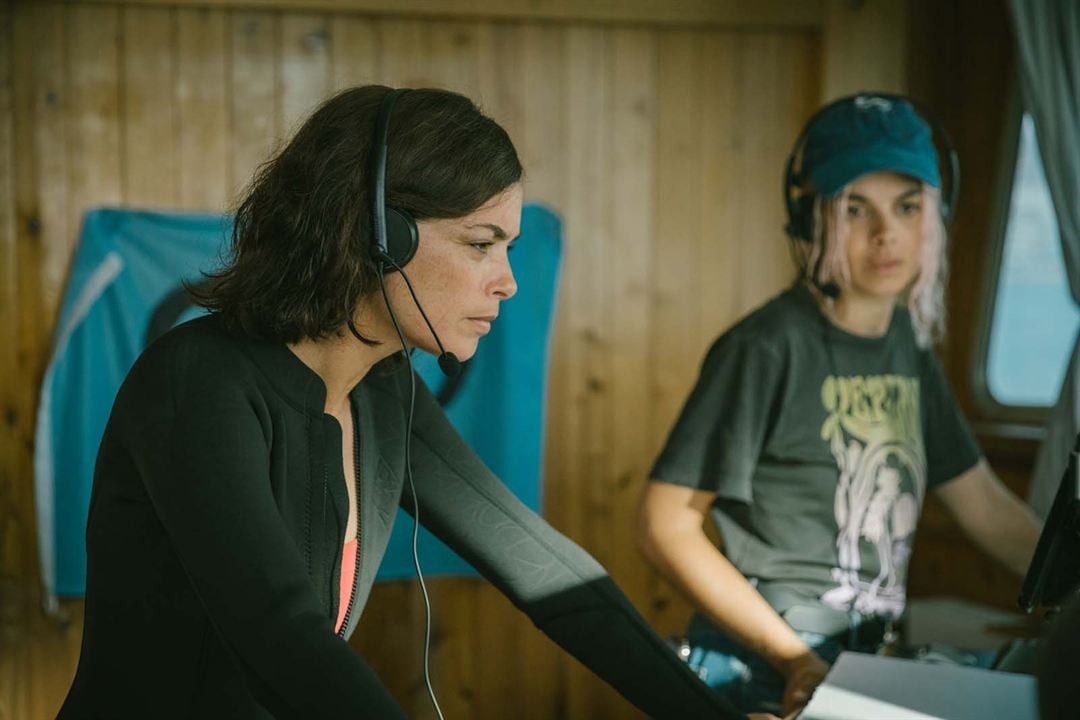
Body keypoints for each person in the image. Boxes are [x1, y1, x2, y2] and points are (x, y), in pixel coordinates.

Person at [59, 86, 753, 719]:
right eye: (482, 245)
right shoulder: (195, 383)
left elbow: (545, 568)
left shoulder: (383, 387)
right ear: (377, 235)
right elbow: (281, 634)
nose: (507, 282)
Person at [636, 93, 1043, 718]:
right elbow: (665, 526)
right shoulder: (767, 347)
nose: (886, 235)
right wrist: (795, 657)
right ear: (811, 218)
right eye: (856, 208)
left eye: (906, 207)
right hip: (763, 666)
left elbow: (983, 505)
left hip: (854, 663)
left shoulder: (908, 345)